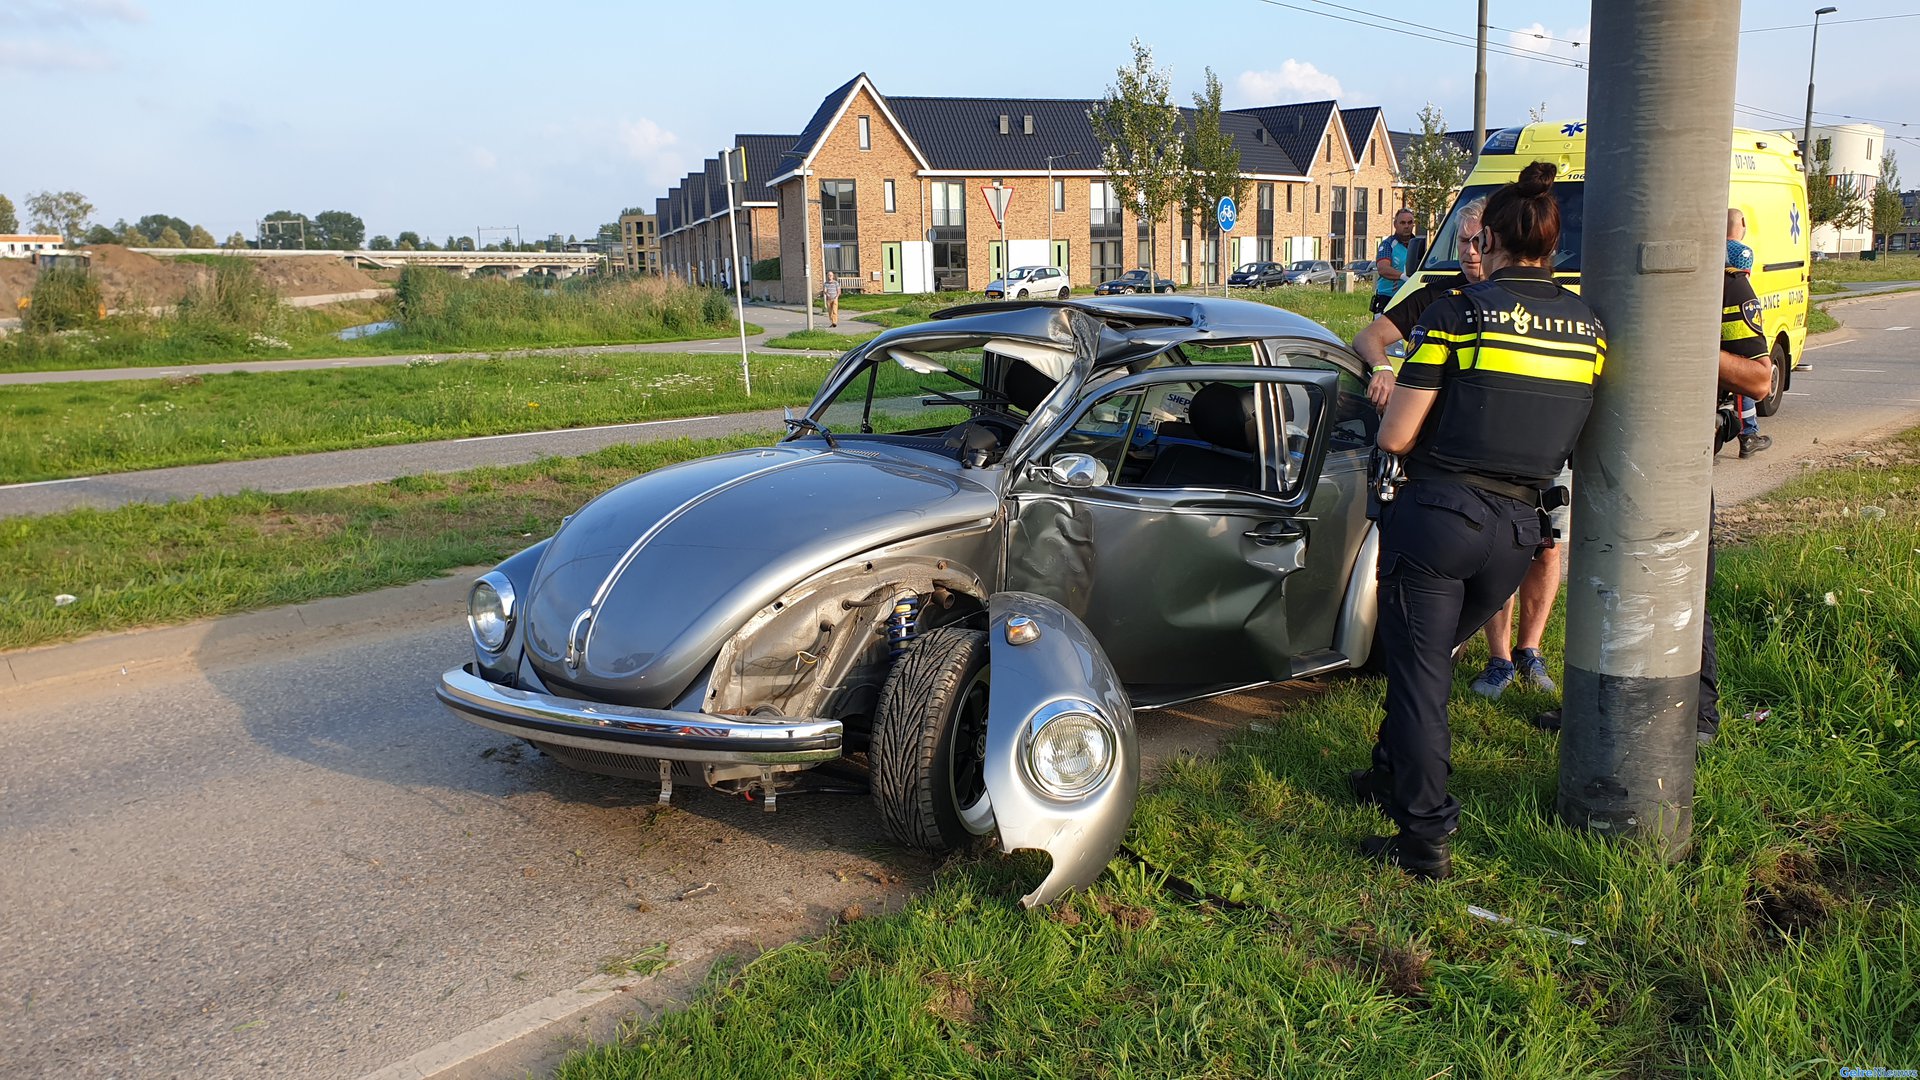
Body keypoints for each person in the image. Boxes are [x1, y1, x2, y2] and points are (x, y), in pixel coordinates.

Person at [1348, 162, 1604, 879]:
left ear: (1487, 240)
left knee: (1422, 678)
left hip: (1440, 518)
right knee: (1420, 666)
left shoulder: (1459, 312)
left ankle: (1423, 838)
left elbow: (1397, 435)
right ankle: (1386, 776)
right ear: (1551, 247)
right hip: (1518, 532)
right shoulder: (1588, 328)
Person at [1531, 210, 1774, 745]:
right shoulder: (1604, 276)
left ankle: (1699, 717)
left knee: (1689, 588)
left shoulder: (1726, 283)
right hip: (1606, 457)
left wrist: (1683, 351)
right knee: (1602, 583)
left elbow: (1760, 378)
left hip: (1678, 464)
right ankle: (1589, 705)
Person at [1355, 200, 1567, 701]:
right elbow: (1371, 337)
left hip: (1524, 448)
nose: (1472, 253)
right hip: (1451, 453)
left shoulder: (1536, 301)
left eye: (1478, 241)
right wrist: (1384, 369)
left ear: (1496, 240)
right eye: (1463, 243)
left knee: (1544, 547)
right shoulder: (1438, 299)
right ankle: (1496, 657)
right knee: (1479, 552)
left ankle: (1529, 651)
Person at [1726, 209, 1770, 458]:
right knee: (1746, 378)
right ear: (1741, 224)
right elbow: (1743, 286)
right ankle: (1748, 434)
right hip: (1738, 320)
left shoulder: (1713, 248)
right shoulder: (1742, 252)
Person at [1372, 209, 1423, 315]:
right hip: (1388, 298)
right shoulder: (1388, 245)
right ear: (1395, 224)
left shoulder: (1419, 245)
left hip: (1410, 297)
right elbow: (1383, 269)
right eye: (1402, 223)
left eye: (1410, 222)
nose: (1406, 226)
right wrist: (1403, 276)